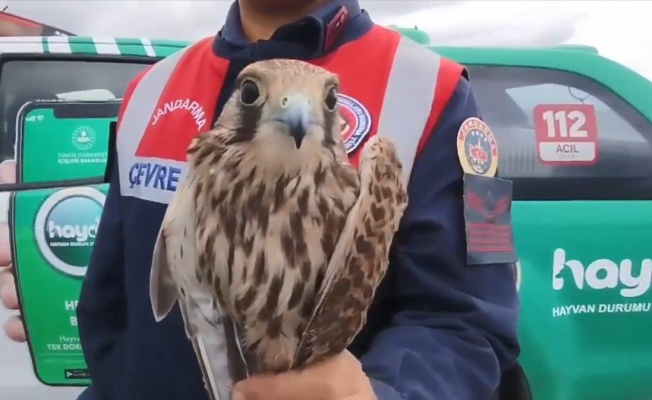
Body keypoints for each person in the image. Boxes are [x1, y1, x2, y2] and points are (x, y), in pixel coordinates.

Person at [0, 0, 521, 399]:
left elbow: (473, 324)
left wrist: (383, 391)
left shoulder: (440, 92)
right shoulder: (148, 90)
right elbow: (112, 305)